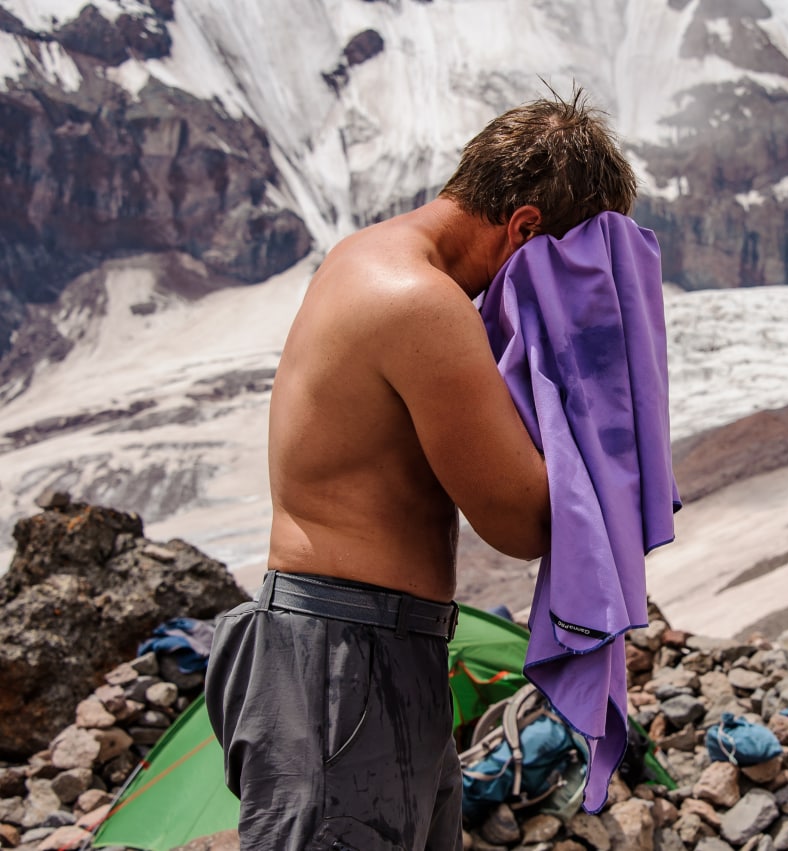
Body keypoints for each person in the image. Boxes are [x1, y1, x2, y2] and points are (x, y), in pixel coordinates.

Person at [205, 90, 638, 851]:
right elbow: (522, 521)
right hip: (342, 660)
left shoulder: (369, 258)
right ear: (525, 230)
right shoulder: (419, 303)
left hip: (358, 649)